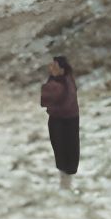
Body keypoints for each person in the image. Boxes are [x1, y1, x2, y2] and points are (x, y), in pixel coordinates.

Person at [40, 55, 80, 190]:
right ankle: (64, 182)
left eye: (55, 66)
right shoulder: (61, 81)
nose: (51, 69)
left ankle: (66, 183)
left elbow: (47, 99)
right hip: (60, 119)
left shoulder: (65, 84)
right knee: (60, 151)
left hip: (65, 120)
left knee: (68, 151)